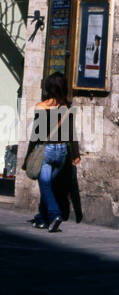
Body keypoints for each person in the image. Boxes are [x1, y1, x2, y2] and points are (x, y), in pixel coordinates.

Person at [26, 73, 80, 233]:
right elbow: (72, 133)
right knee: (47, 185)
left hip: (47, 150)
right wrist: (75, 154)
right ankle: (41, 219)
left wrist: (28, 156)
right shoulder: (67, 108)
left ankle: (55, 214)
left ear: (48, 89)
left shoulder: (41, 107)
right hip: (62, 151)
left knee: (45, 184)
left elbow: (36, 135)